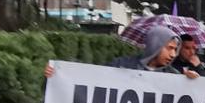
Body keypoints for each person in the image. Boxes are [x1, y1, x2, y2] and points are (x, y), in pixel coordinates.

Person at [43, 25, 196, 79]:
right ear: (155, 45)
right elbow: (92, 76)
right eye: (169, 48)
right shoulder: (121, 65)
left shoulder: (173, 76)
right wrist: (60, 73)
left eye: (175, 50)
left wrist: (191, 83)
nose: (172, 54)